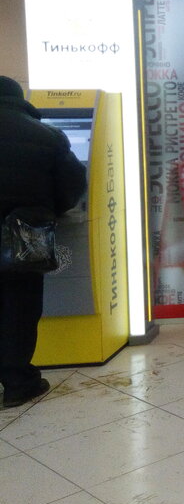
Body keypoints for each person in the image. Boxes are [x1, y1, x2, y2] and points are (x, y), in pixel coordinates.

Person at [0, 76, 86, 408]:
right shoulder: (48, 135)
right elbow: (72, 186)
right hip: (25, 236)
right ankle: (19, 384)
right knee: (19, 309)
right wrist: (51, 208)